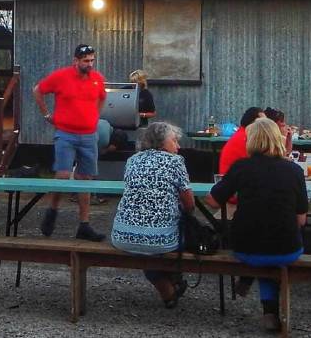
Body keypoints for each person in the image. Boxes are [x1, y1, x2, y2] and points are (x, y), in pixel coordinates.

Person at [205, 118, 308, 333]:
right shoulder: (295, 171)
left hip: (246, 246)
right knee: (273, 246)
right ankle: (269, 309)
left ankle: (257, 292)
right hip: (286, 248)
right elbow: (301, 220)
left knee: (260, 244)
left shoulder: (242, 167)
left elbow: (213, 201)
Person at [110, 121, 194, 307]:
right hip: (160, 240)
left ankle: (169, 291)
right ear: (162, 143)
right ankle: (172, 284)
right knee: (171, 238)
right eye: (174, 141)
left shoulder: (132, 160)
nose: (178, 146)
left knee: (145, 245)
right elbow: (189, 204)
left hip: (122, 235)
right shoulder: (175, 162)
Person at [33, 43, 107, 242]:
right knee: (63, 174)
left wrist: (94, 118)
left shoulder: (97, 79)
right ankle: (53, 210)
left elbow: (102, 98)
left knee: (86, 178)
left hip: (89, 135)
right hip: (65, 133)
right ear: (76, 61)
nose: (89, 64)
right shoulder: (61, 76)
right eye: (85, 61)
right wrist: (47, 114)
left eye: (92, 60)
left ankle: (84, 225)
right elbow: (37, 90)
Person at [217, 106, 265, 177]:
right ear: (253, 123)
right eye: (263, 123)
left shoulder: (242, 134)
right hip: (234, 183)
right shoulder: (246, 138)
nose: (266, 126)